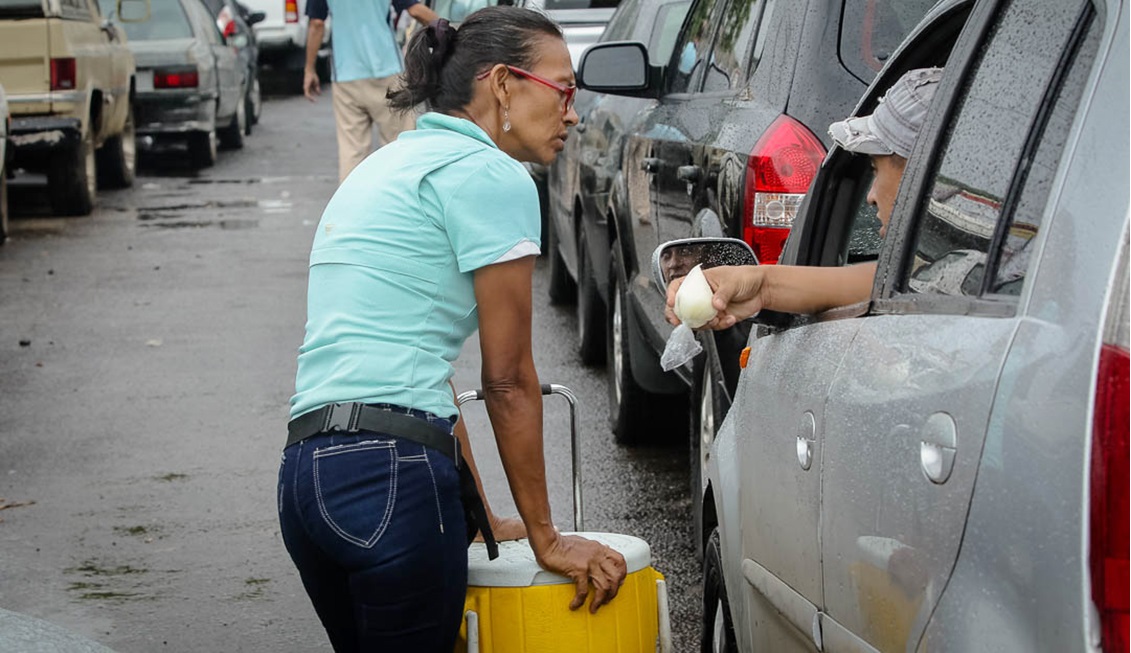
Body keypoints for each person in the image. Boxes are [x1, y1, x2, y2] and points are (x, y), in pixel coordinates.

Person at [279, 8, 627, 651]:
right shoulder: (493, 176)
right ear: (503, 85)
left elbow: (414, 374)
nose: (572, 114)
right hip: (392, 482)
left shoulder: (382, 169)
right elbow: (509, 380)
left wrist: (488, 518)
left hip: (305, 479)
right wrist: (547, 538)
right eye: (564, 91)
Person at [666, 67, 944, 329]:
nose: (870, 196)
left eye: (875, 168)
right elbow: (886, 281)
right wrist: (760, 285)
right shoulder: (954, 272)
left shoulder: (966, 276)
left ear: (921, 174)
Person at [302, 0, 438, 182]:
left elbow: (316, 24)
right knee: (399, 147)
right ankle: (400, 202)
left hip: (346, 75)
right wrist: (453, 32)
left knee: (352, 153)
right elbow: (416, 10)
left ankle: (352, 205)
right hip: (387, 70)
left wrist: (309, 69)